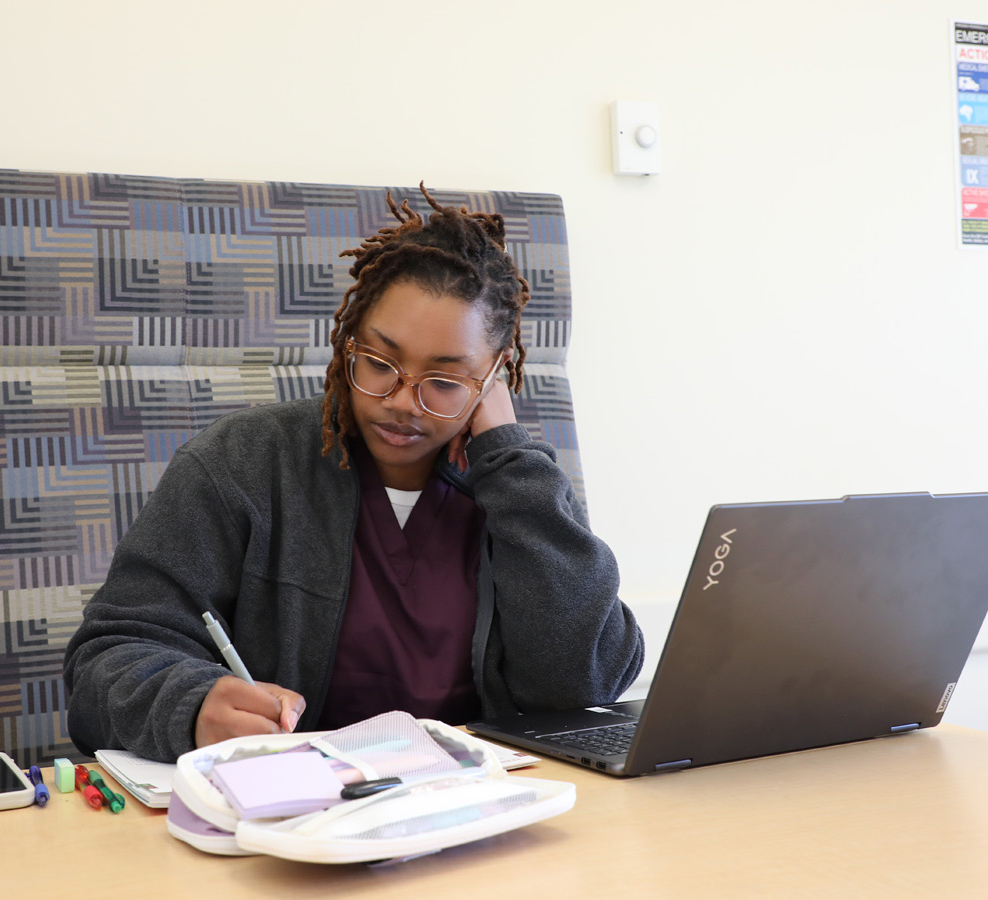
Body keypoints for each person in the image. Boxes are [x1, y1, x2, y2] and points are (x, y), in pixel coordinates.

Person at [63, 184, 644, 761]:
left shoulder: (517, 486)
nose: (403, 402)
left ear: (493, 377)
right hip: (296, 816)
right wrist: (190, 705)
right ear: (348, 341)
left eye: (444, 381)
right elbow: (104, 664)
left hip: (479, 814)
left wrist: (512, 460)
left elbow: (584, 686)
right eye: (380, 363)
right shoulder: (240, 464)